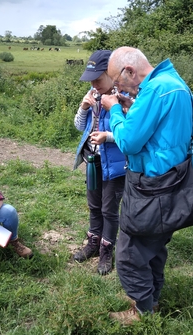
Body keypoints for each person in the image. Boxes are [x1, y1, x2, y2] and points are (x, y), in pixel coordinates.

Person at [100, 47, 193, 324]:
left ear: (130, 71)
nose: (120, 88)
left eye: (118, 82)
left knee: (130, 251)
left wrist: (116, 110)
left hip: (152, 187)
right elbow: (167, 131)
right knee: (154, 246)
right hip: (174, 182)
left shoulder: (155, 90)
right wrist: (133, 108)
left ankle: (142, 311)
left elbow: (129, 141)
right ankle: (151, 297)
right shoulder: (175, 85)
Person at [72, 50, 126, 275]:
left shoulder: (124, 96)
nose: (94, 83)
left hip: (114, 166)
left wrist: (107, 137)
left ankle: (106, 252)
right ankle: (93, 244)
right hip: (93, 161)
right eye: (91, 79)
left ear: (111, 74)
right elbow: (78, 126)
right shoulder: (93, 93)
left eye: (98, 78)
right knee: (94, 206)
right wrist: (83, 108)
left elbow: (131, 134)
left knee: (109, 210)